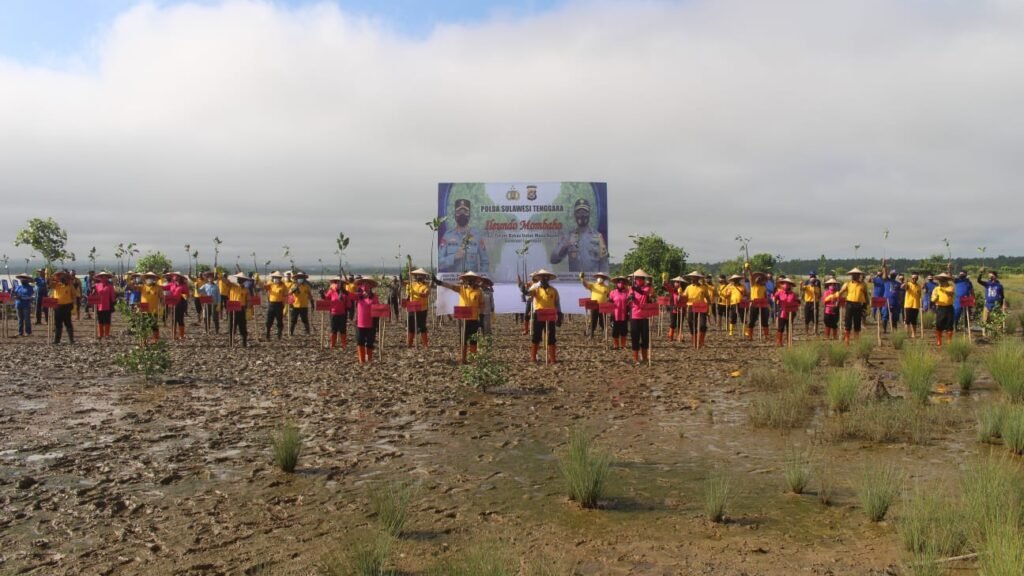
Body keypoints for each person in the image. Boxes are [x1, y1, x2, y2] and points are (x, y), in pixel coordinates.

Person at [435, 271, 483, 364]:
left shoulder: (479, 291)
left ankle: (473, 359)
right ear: (465, 280)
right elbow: (450, 286)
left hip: (473, 319)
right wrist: (440, 283)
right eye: (468, 280)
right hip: (462, 319)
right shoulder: (461, 289)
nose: (470, 281)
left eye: (472, 280)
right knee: (463, 339)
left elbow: (482, 305)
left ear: (475, 281)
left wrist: (478, 314)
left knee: (473, 339)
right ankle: (463, 358)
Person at [550, 198, 609, 272]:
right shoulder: (568, 236)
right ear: (575, 214)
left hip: (592, 282)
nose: (582, 215)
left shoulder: (598, 236)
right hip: (575, 282)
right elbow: (553, 260)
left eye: (585, 212)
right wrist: (564, 248)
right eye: (579, 212)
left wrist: (603, 282)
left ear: (589, 213)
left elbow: (604, 264)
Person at [439, 199, 490, 273]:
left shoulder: (477, 235)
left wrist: (479, 279)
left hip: (472, 283)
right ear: (455, 214)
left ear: (469, 214)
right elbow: (439, 262)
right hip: (453, 283)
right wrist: (454, 257)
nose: (462, 214)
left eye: (465, 211)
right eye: (459, 212)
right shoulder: (447, 236)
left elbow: (485, 261)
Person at [523, 270, 562, 363]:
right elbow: (528, 293)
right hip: (538, 314)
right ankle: (533, 357)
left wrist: (559, 315)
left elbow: (557, 303)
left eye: (546, 277)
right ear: (539, 278)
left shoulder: (553, 290)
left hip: (551, 315)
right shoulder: (535, 289)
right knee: (536, 336)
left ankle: (552, 358)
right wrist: (523, 290)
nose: (544, 278)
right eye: (542, 277)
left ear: (548, 278)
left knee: (551, 337)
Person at [627, 269, 654, 364]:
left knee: (645, 338)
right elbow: (629, 297)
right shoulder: (631, 288)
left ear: (643, 279)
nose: (639, 280)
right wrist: (631, 297)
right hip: (634, 315)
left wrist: (636, 289)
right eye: (637, 278)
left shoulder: (647, 288)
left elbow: (645, 293)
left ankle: (645, 357)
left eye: (641, 278)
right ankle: (635, 358)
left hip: (644, 316)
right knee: (635, 337)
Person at [838, 268, 869, 344]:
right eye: (854, 274)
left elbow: (866, 295)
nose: (855, 276)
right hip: (849, 304)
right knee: (848, 322)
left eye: (857, 274)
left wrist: (867, 305)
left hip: (859, 305)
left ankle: (857, 341)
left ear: (859, 275)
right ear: (851, 275)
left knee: (857, 322)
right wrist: (836, 299)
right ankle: (846, 340)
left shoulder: (863, 285)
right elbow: (840, 292)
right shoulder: (847, 284)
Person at [404, 268, 432, 348]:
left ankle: (425, 344)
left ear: (424, 277)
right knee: (411, 325)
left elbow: (425, 294)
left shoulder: (426, 286)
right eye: (418, 275)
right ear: (416, 276)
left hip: (422, 308)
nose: (420, 277)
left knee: (422, 325)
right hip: (412, 307)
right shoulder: (411, 284)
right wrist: (407, 297)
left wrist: (414, 292)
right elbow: (408, 296)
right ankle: (409, 343)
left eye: (422, 275)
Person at [682, 271, 711, 349]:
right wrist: (681, 296)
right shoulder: (688, 287)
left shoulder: (703, 287)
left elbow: (707, 297)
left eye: (694, 278)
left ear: (698, 278)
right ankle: (694, 339)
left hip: (701, 307)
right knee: (691, 322)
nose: (693, 279)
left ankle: (701, 341)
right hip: (691, 307)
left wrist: (709, 304)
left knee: (702, 325)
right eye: (692, 278)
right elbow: (684, 297)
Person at [580, 272, 611, 339]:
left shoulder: (607, 287)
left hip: (603, 305)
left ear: (604, 279)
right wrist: (582, 279)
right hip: (594, 305)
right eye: (599, 277)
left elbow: (608, 296)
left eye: (601, 277)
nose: (600, 278)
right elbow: (585, 285)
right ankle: (591, 334)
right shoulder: (593, 285)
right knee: (593, 319)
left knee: (603, 321)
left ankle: (604, 334)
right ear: (597, 278)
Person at [49, 270, 76, 345]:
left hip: (67, 306)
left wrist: (74, 306)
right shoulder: (56, 285)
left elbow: (74, 295)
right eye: (60, 276)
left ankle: (71, 340)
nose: (61, 277)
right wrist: (53, 276)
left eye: (63, 276)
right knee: (58, 324)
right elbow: (50, 284)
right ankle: (57, 340)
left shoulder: (70, 285)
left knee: (68, 323)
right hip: (57, 306)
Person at [324, 276, 351, 349]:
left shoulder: (346, 293)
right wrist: (322, 295)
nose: (338, 284)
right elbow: (326, 298)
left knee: (343, 329)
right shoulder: (331, 291)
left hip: (342, 314)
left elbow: (349, 305)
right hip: (333, 313)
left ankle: (344, 344)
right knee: (333, 329)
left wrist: (345, 302)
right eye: (337, 283)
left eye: (340, 283)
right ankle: (332, 344)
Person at [930, 272, 955, 347]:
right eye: (940, 280)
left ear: (946, 280)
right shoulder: (936, 289)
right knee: (939, 324)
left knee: (949, 324)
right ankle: (939, 341)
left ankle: (949, 341)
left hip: (949, 307)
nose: (941, 281)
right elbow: (933, 299)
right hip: (940, 308)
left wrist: (942, 289)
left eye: (943, 280)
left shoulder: (950, 287)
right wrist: (935, 299)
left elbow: (950, 293)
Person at [138, 272, 164, 343]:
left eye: (151, 277)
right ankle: (144, 340)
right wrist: (131, 279)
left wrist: (162, 307)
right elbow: (131, 286)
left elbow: (162, 298)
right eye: (148, 277)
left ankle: (155, 340)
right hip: (144, 309)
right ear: (145, 279)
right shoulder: (142, 287)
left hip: (154, 310)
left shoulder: (158, 288)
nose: (149, 279)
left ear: (154, 279)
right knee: (144, 325)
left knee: (154, 325)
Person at [773, 277, 799, 346]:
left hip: (791, 312)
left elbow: (798, 303)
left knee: (789, 327)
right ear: (782, 285)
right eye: (785, 284)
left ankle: (789, 341)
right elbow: (774, 298)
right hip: (783, 312)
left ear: (790, 285)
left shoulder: (794, 294)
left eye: (788, 284)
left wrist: (794, 306)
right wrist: (776, 301)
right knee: (781, 327)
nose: (786, 285)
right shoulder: (779, 293)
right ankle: (779, 341)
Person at [607, 275, 631, 350]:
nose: (620, 284)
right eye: (619, 282)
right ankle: (616, 345)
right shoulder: (613, 292)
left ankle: (623, 345)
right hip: (615, 315)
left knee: (624, 330)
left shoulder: (627, 292)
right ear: (616, 284)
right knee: (615, 331)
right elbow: (610, 302)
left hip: (624, 314)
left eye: (622, 282)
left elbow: (630, 303)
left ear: (624, 284)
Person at [227, 272, 250, 347]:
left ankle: (244, 343)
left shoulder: (246, 290)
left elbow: (248, 300)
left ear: (243, 280)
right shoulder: (233, 286)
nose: (239, 280)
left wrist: (248, 309)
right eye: (238, 278)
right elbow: (226, 281)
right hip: (232, 307)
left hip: (241, 309)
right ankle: (231, 342)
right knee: (231, 325)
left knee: (242, 325)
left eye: (241, 279)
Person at [745, 271, 770, 340]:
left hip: (762, 305)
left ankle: (766, 335)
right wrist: (749, 269)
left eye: (759, 279)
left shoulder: (763, 288)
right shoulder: (753, 285)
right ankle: (750, 336)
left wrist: (766, 303)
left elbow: (765, 296)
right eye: (757, 279)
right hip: (754, 304)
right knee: (752, 320)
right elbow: (750, 277)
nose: (758, 280)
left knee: (764, 320)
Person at [661, 274, 686, 341]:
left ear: (681, 283)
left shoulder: (684, 292)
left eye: (678, 282)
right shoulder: (673, 290)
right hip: (674, 309)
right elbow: (667, 286)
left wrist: (680, 295)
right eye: (675, 282)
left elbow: (684, 300)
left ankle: (680, 336)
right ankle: (670, 336)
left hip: (681, 309)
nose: (676, 283)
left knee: (680, 324)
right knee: (672, 323)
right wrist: (664, 280)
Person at [93, 271, 117, 339]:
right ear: (100, 278)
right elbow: (94, 294)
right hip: (99, 305)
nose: (103, 278)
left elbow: (112, 296)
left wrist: (113, 302)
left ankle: (107, 334)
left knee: (107, 320)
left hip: (107, 305)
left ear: (107, 278)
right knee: (100, 320)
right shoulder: (97, 285)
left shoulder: (110, 286)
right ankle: (100, 334)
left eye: (105, 276)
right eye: (102, 276)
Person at [264, 271, 287, 340]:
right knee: (269, 321)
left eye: (278, 278)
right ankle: (267, 335)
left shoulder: (283, 286)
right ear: (273, 278)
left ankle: (279, 335)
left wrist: (286, 305)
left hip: (279, 305)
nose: (276, 279)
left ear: (280, 278)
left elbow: (287, 295)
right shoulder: (270, 284)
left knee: (279, 321)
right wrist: (259, 281)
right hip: (271, 304)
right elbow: (263, 287)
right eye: (275, 278)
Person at [167, 272, 190, 340]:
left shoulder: (183, 286)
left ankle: (181, 335)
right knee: (173, 320)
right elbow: (164, 287)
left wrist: (182, 295)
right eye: (175, 277)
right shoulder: (171, 284)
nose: (176, 278)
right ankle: (173, 335)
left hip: (180, 304)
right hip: (171, 304)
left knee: (180, 319)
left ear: (180, 278)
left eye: (177, 277)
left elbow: (187, 295)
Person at [288, 271, 313, 335]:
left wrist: (312, 303)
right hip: (295, 306)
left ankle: (308, 332)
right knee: (293, 320)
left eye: (301, 277)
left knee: (305, 320)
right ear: (296, 278)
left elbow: (310, 295)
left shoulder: (306, 286)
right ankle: (291, 332)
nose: (300, 279)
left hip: (304, 306)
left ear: (304, 279)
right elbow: (290, 294)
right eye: (299, 277)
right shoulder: (294, 285)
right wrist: (290, 305)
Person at [901, 273, 922, 339]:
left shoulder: (918, 286)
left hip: (916, 305)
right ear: (911, 278)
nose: (914, 279)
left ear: (917, 279)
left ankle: (914, 334)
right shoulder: (909, 284)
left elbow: (920, 295)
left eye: (915, 278)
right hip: (908, 305)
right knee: (907, 320)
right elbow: (902, 287)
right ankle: (907, 334)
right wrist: (906, 283)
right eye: (913, 278)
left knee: (914, 321)